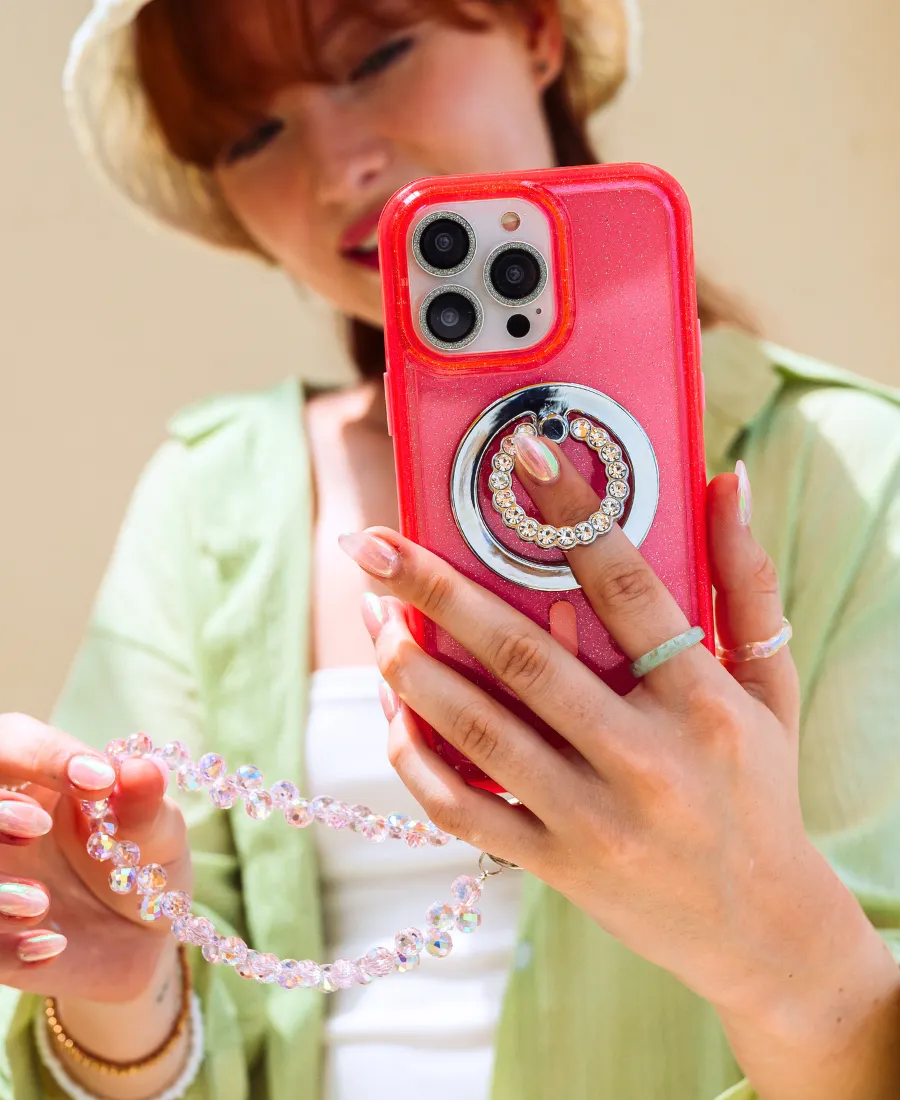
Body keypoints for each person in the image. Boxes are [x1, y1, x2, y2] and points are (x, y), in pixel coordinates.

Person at [2, 0, 900, 1098]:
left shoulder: (851, 467)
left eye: (377, 56)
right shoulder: (209, 502)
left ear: (535, 30)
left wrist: (776, 949)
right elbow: (145, 1005)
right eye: (249, 135)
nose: (338, 164)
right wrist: (122, 994)